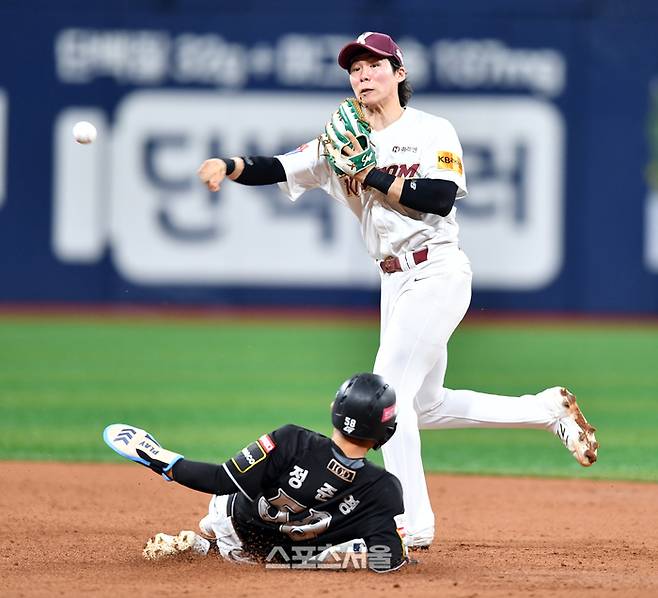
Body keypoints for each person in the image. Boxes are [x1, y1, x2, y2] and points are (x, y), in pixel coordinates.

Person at [196, 31, 599, 549]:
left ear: (399, 73)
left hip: (438, 270)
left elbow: (440, 198)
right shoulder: (340, 141)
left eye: (374, 65)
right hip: (393, 280)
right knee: (424, 405)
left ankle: (413, 521)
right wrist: (228, 167)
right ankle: (545, 409)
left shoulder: (431, 130)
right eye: (354, 68)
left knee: (388, 396)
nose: (363, 75)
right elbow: (277, 166)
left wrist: (370, 174)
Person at [103, 373, 408, 572]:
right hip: (275, 559)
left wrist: (164, 460)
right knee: (342, 551)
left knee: (232, 494)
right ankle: (209, 546)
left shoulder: (293, 440)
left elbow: (221, 480)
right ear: (386, 431)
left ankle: (207, 539)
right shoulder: (384, 489)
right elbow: (388, 561)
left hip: (231, 519)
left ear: (335, 410)